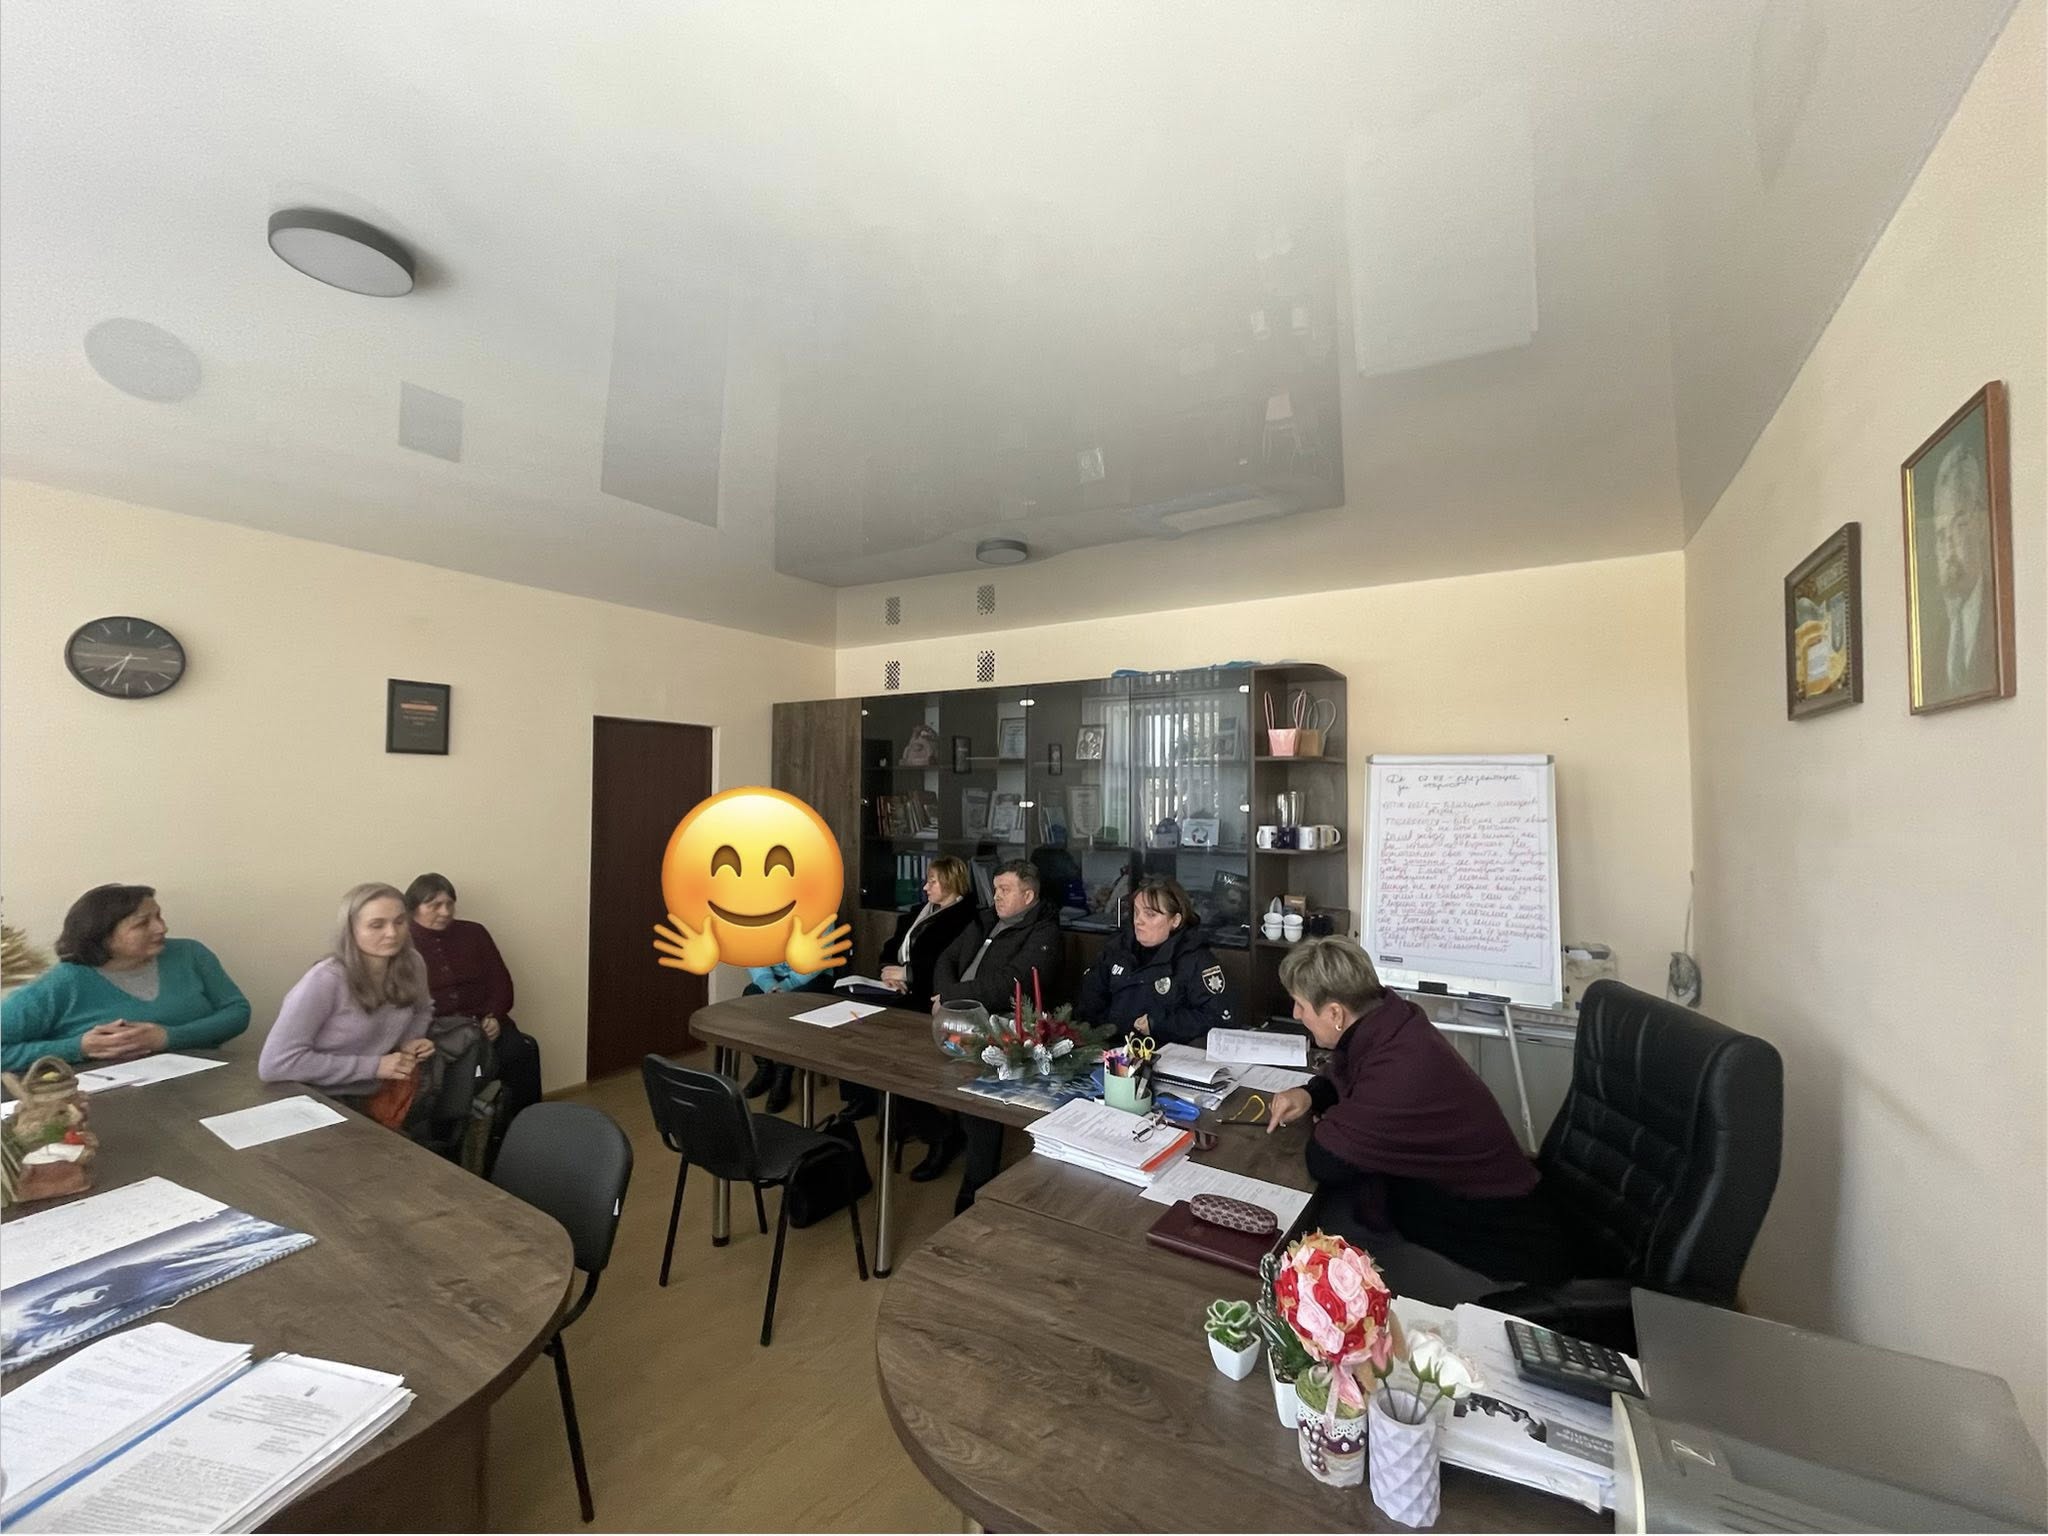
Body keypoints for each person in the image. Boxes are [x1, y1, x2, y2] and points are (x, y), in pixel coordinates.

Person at [1265, 936, 1570, 1303]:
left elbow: (1326, 1160)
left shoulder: (1399, 1068)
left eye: (1300, 1005)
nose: (1297, 1014)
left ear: (1335, 1014)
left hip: (1493, 1244)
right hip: (1463, 1204)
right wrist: (1311, 1094)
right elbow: (1349, 1073)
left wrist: (1329, 1121)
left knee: (1317, 1261)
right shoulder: (1391, 1020)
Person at [1, 884, 249, 1073]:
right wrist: (79, 1047)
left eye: (159, 916)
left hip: (204, 1083)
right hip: (104, 1102)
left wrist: (167, 1037)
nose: (161, 928)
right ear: (102, 935)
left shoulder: (190, 954)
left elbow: (237, 1011)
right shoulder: (62, 983)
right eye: (142, 924)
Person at [836, 857, 981, 1178]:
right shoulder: (920, 911)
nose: (925, 887)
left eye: (933, 881)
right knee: (851, 1017)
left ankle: (939, 1134)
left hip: (929, 999)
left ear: (952, 882)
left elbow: (949, 967)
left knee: (893, 1061)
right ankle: (864, 1096)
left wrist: (909, 975)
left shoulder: (965, 919)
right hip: (899, 991)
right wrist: (889, 974)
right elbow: (890, 948)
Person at [934, 860, 1066, 1212]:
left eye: (1005, 890)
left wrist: (950, 998)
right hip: (953, 1018)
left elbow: (1010, 983)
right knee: (900, 1069)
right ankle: (940, 1136)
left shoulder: (1044, 933)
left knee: (978, 1093)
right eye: (995, 889)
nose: (997, 897)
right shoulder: (985, 919)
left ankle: (976, 1180)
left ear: (1028, 895)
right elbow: (946, 958)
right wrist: (946, 999)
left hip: (1000, 1026)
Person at [259, 883, 436, 1104]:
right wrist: (374, 1066)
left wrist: (410, 1040)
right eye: (377, 925)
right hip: (315, 1097)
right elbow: (276, 1064)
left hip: (375, 1092)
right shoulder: (325, 979)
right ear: (351, 930)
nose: (392, 933)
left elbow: (422, 1009)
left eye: (399, 922)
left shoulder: (413, 963)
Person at [405, 873, 543, 1140]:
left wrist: (494, 1016)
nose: (445, 912)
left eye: (449, 904)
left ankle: (525, 1131)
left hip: (485, 1025)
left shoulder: (474, 933)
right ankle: (449, 1138)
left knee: (521, 1051)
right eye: (434, 905)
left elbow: (501, 982)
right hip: (439, 1034)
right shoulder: (402, 943)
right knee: (443, 1074)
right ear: (414, 908)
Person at [1073, 877, 1238, 1045]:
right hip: (1112, 1051)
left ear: (1175, 920)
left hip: (1167, 1054)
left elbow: (1216, 1017)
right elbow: (1088, 1007)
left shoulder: (1195, 959)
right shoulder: (1116, 949)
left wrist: (1158, 1024)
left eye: (1150, 914)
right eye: (1136, 912)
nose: (1138, 921)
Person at [1924, 441, 1999, 701]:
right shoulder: (1935, 641)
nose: (1948, 547)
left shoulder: (1998, 614)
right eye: (1940, 534)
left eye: (1959, 526)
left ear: (1980, 525)